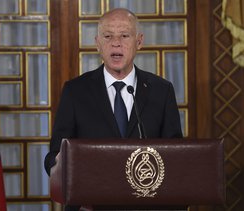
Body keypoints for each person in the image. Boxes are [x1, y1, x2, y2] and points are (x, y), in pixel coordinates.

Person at [45, 8, 183, 211]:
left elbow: (175, 157)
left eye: (124, 36)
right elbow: (54, 156)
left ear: (139, 42)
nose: (115, 43)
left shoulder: (161, 91)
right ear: (97, 43)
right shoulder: (75, 91)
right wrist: (61, 167)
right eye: (108, 36)